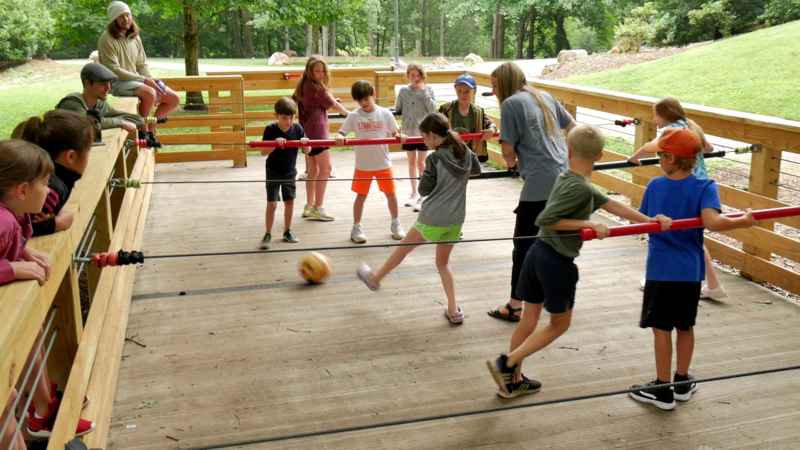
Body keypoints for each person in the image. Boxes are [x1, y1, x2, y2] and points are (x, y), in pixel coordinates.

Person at [486, 124, 673, 398]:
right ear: (600, 157)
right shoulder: (581, 188)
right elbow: (546, 219)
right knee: (559, 324)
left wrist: (650, 221)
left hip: (537, 253)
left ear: (568, 150)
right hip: (555, 260)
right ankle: (508, 364)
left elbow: (611, 204)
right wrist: (586, 223)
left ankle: (511, 381)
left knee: (529, 319)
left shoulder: (569, 178)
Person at [628, 127, 755, 411]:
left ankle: (662, 391)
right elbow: (712, 222)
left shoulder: (656, 186)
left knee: (662, 328)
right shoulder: (705, 185)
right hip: (690, 270)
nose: (658, 159)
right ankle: (682, 382)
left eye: (660, 154)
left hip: (661, 271)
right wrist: (742, 222)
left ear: (670, 158)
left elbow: (645, 219)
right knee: (685, 326)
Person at [0, 139, 96, 441]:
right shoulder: (2, 221)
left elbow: (12, 240)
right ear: (23, 191)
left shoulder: (11, 215)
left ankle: (43, 409)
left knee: (34, 334)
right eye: (45, 183)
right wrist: (12, 268)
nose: (50, 190)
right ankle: (40, 415)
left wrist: (23, 251)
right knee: (7, 397)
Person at [356, 113, 481, 324]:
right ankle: (453, 309)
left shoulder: (435, 158)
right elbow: (476, 171)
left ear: (432, 135)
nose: (424, 142)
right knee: (443, 263)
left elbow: (423, 189)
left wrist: (429, 176)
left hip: (433, 217)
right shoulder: (465, 151)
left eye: (424, 138)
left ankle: (375, 279)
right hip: (456, 219)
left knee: (401, 250)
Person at [485, 61, 577, 323]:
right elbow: (574, 129)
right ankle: (555, 296)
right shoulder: (544, 96)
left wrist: (512, 167)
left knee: (522, 247)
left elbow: (507, 151)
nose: (493, 91)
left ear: (504, 83)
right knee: (555, 243)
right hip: (565, 179)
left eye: (494, 85)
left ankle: (514, 305)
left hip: (539, 185)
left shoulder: (511, 104)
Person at [627, 97, 725, 299]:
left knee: (666, 232)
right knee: (692, 236)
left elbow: (649, 146)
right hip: (699, 183)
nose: (654, 120)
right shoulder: (690, 126)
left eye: (656, 115)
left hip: (682, 185)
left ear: (666, 114)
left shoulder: (671, 131)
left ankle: (659, 277)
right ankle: (713, 284)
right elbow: (709, 148)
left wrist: (634, 159)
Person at [98, 1, 180, 149]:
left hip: (136, 81)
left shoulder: (135, 38)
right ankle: (144, 134)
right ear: (114, 19)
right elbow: (114, 70)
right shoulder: (107, 39)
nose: (126, 19)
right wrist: (144, 80)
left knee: (174, 99)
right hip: (116, 83)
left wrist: (151, 78)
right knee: (149, 93)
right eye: (121, 16)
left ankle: (151, 131)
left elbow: (142, 65)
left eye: (128, 15)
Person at [335, 80, 407, 243]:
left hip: (383, 163)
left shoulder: (385, 113)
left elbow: (395, 132)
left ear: (373, 95)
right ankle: (356, 227)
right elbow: (342, 132)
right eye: (359, 100)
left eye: (365, 99)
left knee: (391, 195)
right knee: (361, 196)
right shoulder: (354, 115)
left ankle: (396, 222)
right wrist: (340, 136)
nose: (363, 103)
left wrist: (399, 136)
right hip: (363, 165)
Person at [16, 111, 95, 237]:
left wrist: (56, 212)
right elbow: (14, 228)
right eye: (88, 150)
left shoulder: (51, 176)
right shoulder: (50, 188)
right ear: (71, 156)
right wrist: (57, 223)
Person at [292, 56, 350, 222]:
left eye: (323, 71)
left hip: (307, 132)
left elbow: (292, 101)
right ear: (310, 71)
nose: (321, 74)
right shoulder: (315, 88)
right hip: (317, 133)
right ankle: (318, 207)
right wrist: (349, 115)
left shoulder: (303, 85)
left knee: (313, 171)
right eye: (317, 71)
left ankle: (309, 206)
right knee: (326, 168)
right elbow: (333, 104)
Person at [259, 98, 310, 249]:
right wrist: (275, 143)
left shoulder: (298, 129)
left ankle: (287, 230)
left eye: (291, 117)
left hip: (290, 172)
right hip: (273, 171)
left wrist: (305, 144)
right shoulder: (270, 129)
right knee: (272, 204)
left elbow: (308, 150)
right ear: (276, 115)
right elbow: (263, 152)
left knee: (290, 201)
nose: (288, 121)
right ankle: (268, 232)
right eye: (284, 118)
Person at [56, 62, 145, 135]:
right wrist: (121, 123)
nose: (108, 89)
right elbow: (86, 124)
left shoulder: (99, 104)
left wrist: (108, 122)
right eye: (102, 84)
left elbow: (138, 120)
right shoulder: (72, 102)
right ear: (87, 83)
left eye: (109, 84)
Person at [394, 63, 436, 212]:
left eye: (418, 75)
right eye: (412, 75)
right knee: (411, 162)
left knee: (422, 163)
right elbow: (397, 108)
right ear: (408, 76)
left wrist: (424, 93)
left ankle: (423, 195)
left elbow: (432, 108)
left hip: (424, 133)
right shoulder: (404, 90)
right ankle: (414, 193)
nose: (416, 78)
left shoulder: (428, 89)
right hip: (408, 132)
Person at [438, 73, 497, 163]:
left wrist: (491, 130)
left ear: (474, 91)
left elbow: (490, 123)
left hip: (470, 155)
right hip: (450, 153)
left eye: (467, 91)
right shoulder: (446, 108)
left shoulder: (478, 111)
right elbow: (436, 124)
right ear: (456, 90)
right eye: (459, 91)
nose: (462, 95)